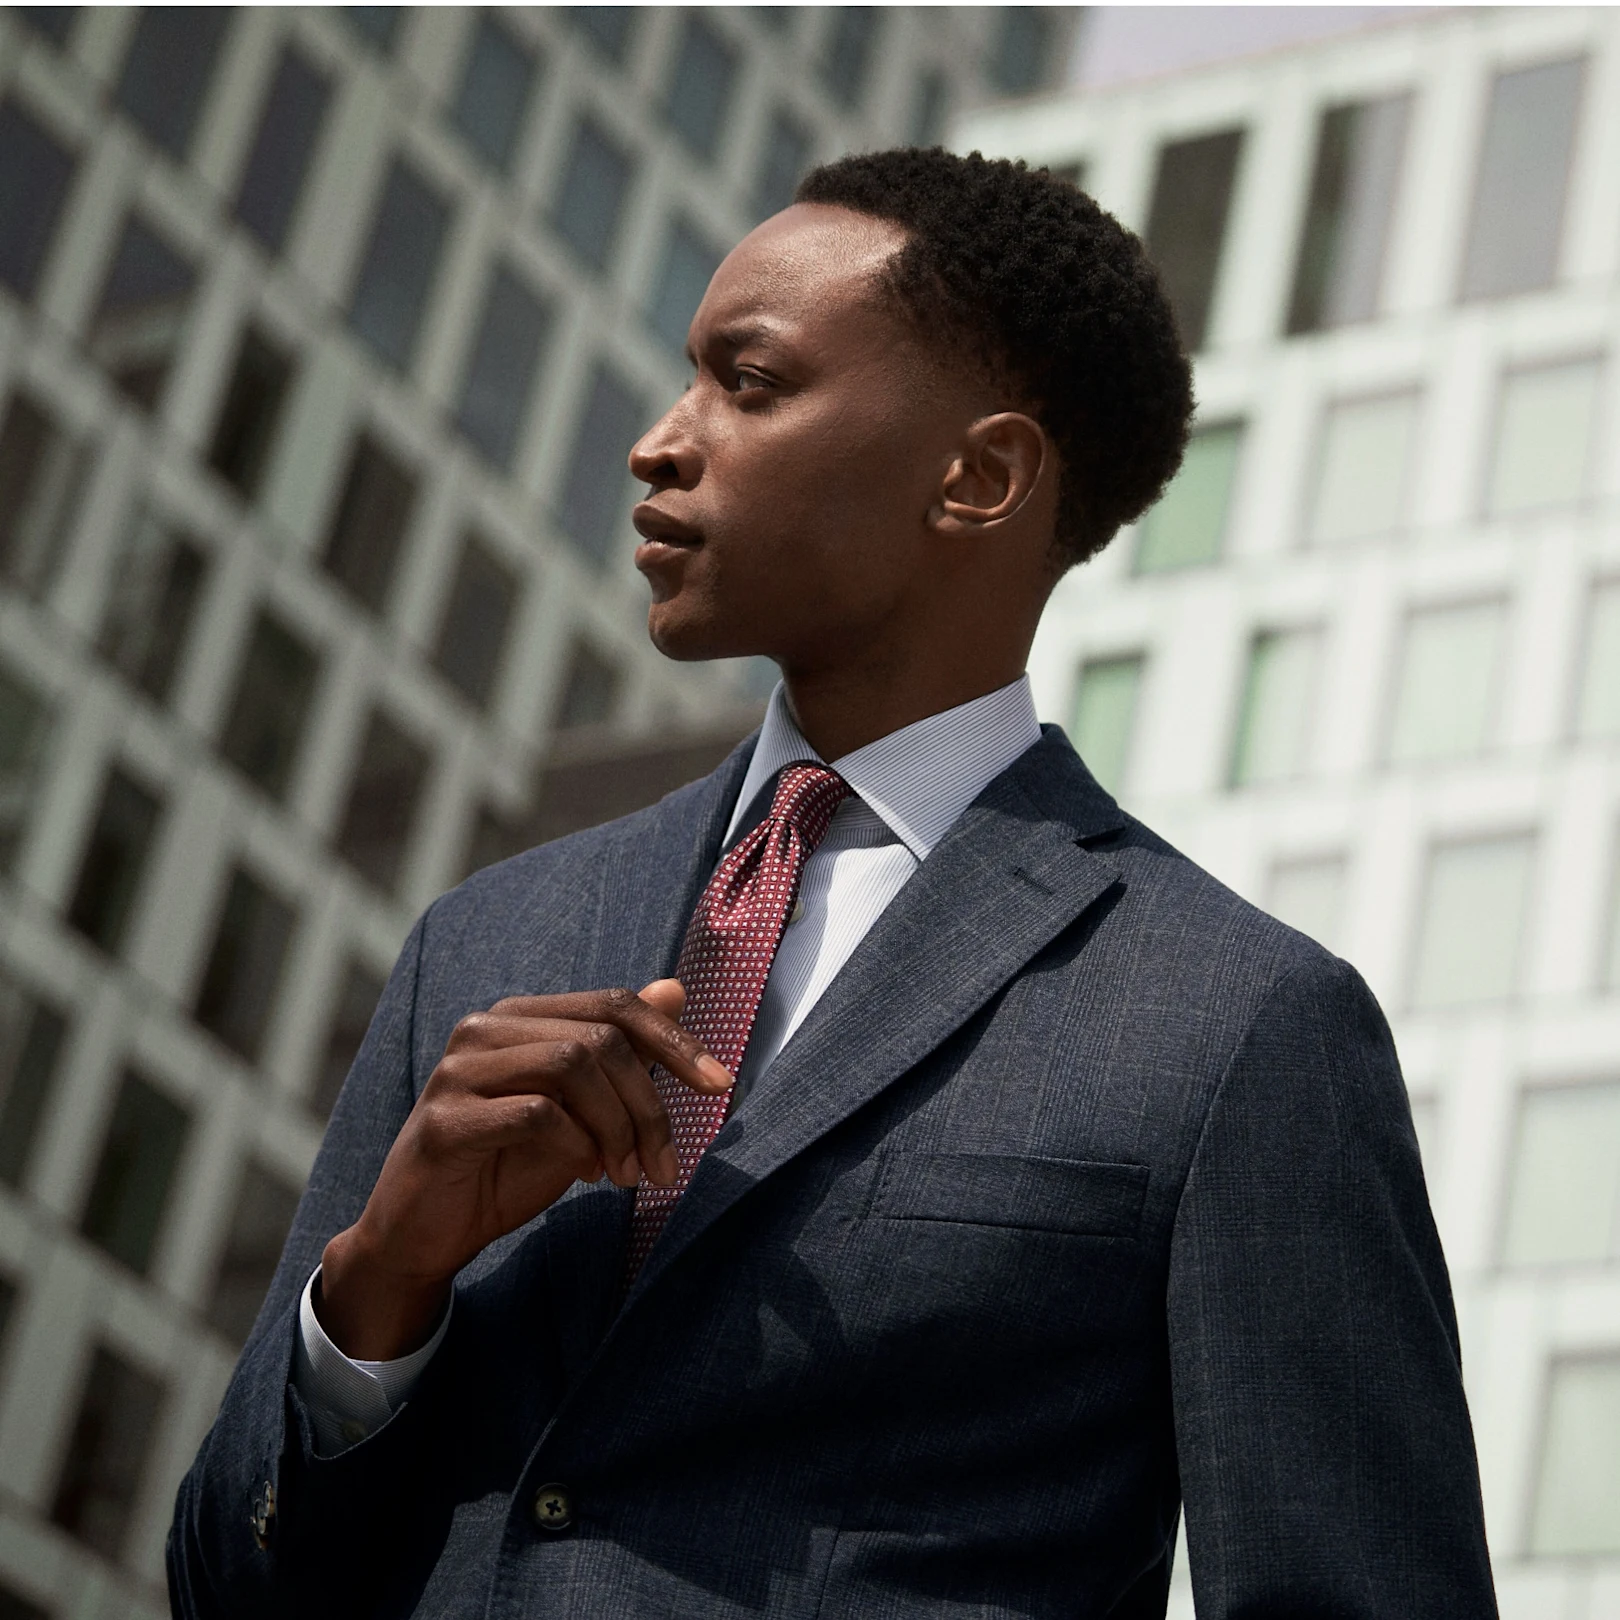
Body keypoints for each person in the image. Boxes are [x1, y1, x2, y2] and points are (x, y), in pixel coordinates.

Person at [168, 148, 1497, 1620]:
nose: (659, 444)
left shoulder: (1237, 1023)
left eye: (749, 383)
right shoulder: (487, 937)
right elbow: (227, 1586)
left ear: (979, 478)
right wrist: (378, 1289)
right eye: (689, 376)